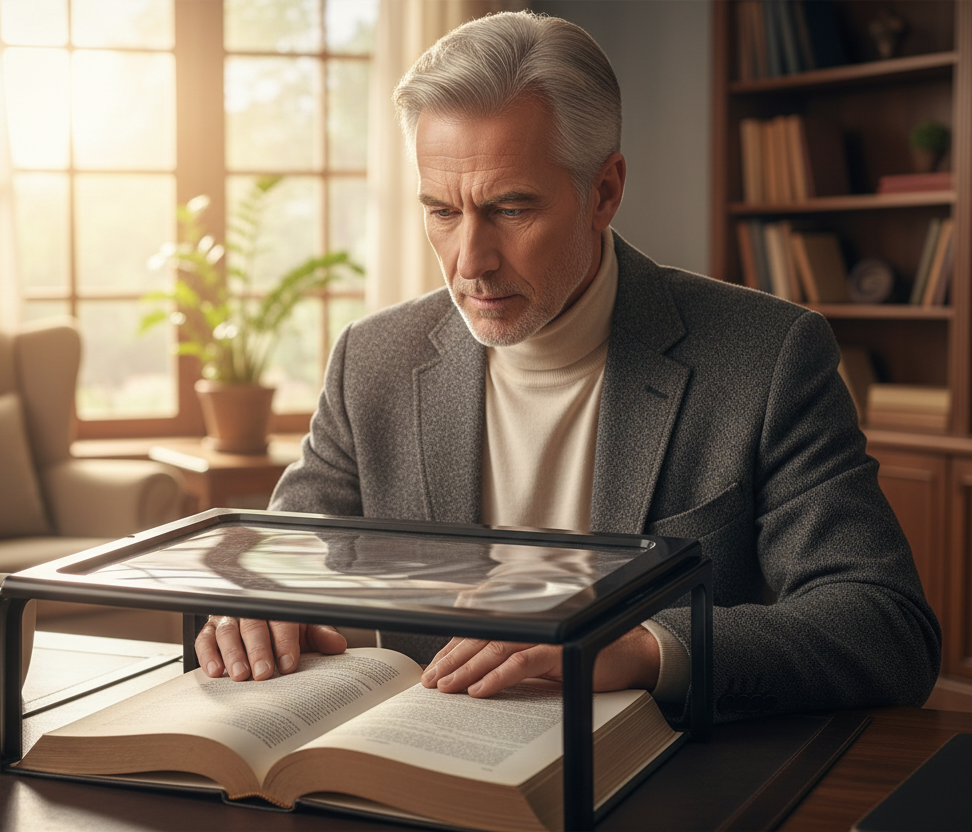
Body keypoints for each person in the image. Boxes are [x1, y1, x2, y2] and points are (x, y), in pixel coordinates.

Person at [194, 10, 941, 722]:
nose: (471, 263)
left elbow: (886, 626)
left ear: (604, 192)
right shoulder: (372, 359)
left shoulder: (768, 355)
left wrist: (643, 649)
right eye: (442, 212)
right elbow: (282, 557)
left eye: (511, 209)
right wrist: (256, 605)